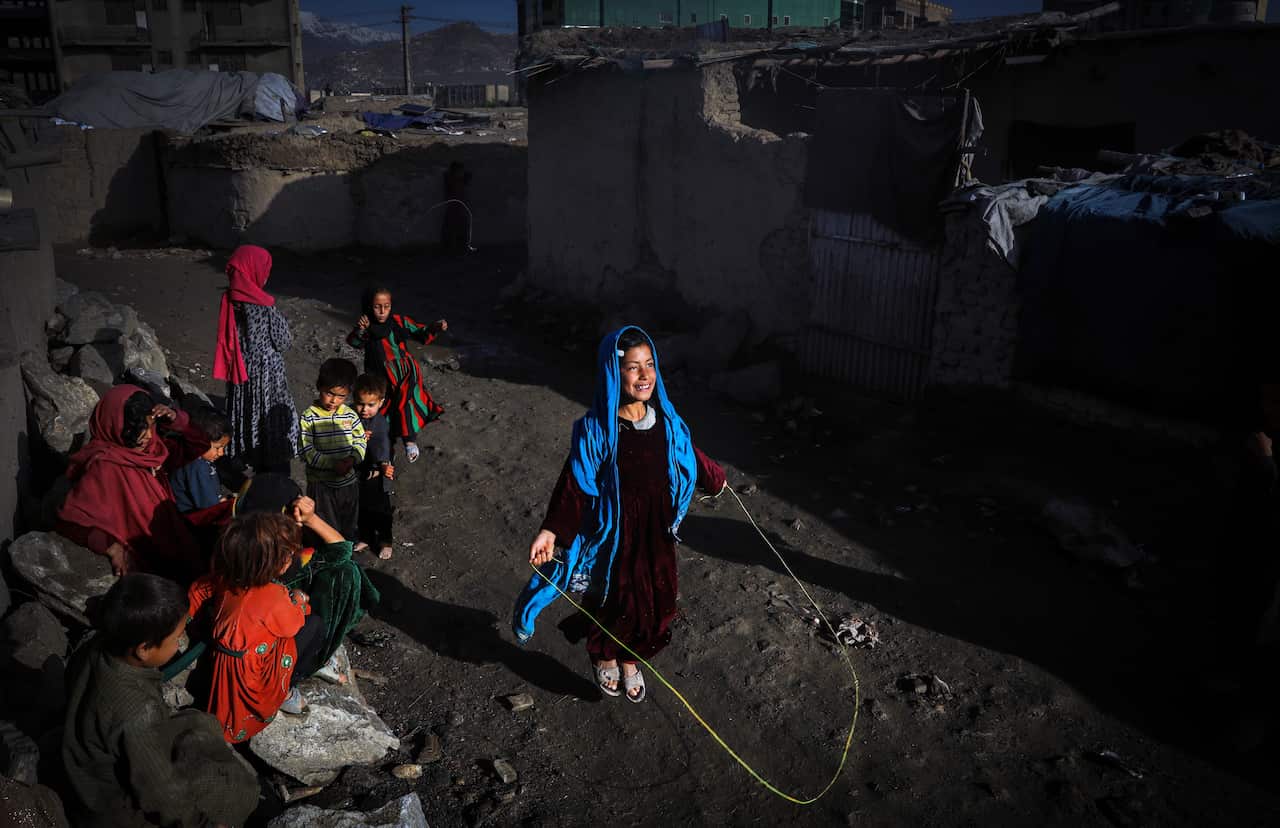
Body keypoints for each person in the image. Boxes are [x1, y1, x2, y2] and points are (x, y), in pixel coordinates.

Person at [514, 327, 726, 702]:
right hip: (615, 536)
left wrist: (714, 478)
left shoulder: (667, 423)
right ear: (614, 374)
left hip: (657, 531)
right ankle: (605, 655)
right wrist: (551, 531)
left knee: (659, 600)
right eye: (632, 368)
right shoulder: (597, 431)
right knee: (615, 599)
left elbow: (688, 455)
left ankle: (631, 658)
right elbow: (574, 483)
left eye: (649, 365)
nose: (644, 376)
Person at [62, 573, 258, 827]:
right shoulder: (137, 712)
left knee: (200, 721)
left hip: (86, 762)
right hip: (113, 809)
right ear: (143, 649)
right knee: (240, 790)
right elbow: (161, 793)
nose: (178, 646)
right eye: (176, 638)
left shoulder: (98, 645)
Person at [187, 507, 344, 742]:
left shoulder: (226, 576)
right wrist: (299, 600)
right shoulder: (273, 595)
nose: (291, 558)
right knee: (314, 625)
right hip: (252, 682)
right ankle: (286, 689)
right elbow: (292, 625)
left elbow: (198, 591)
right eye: (288, 555)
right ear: (274, 563)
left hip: (225, 668)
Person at [57, 385, 231, 580]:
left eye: (150, 425)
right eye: (139, 428)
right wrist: (111, 547)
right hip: (147, 553)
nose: (148, 434)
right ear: (118, 425)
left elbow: (199, 445)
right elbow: (71, 521)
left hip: (172, 538)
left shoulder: (153, 451)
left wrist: (176, 420)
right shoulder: (105, 466)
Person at [214, 244, 299, 475]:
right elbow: (284, 341)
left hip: (241, 371)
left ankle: (247, 454)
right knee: (270, 416)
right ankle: (273, 462)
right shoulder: (265, 306)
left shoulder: (230, 301)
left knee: (246, 410)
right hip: (267, 374)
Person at [347, 286, 447, 464]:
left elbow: (421, 333)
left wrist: (435, 327)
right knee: (383, 410)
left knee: (406, 405)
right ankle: (386, 450)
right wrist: (360, 330)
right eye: (377, 306)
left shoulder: (399, 322)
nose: (383, 311)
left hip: (405, 373)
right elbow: (355, 343)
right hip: (380, 377)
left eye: (387, 306)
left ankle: (410, 441)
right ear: (369, 307)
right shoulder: (366, 325)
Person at [299, 358, 366, 541]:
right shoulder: (309, 417)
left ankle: (346, 558)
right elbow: (307, 451)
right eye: (329, 393)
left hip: (348, 484)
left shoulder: (350, 415)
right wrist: (332, 465)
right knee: (325, 528)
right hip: (322, 486)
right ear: (319, 386)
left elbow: (360, 441)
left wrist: (352, 459)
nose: (333, 400)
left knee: (349, 524)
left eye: (341, 396)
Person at [353, 372, 396, 560]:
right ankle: (367, 536)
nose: (364, 409)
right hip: (359, 473)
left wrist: (384, 465)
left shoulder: (380, 423)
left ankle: (386, 540)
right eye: (360, 403)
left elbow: (383, 446)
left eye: (371, 405)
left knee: (381, 510)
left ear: (381, 402)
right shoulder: (349, 416)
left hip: (378, 474)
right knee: (361, 508)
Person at [170, 406, 231, 514]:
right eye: (218, 448)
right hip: (194, 519)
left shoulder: (200, 460)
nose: (221, 453)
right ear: (201, 442)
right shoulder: (198, 466)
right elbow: (209, 507)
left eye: (224, 448)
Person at [441, 160, 473, 256]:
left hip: (460, 208)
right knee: (452, 228)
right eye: (459, 171)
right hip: (453, 208)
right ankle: (451, 249)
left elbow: (468, 176)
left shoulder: (459, 180)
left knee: (461, 228)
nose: (461, 173)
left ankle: (460, 248)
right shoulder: (451, 180)